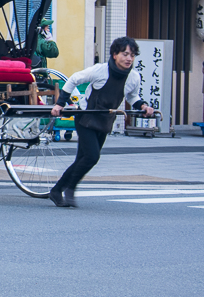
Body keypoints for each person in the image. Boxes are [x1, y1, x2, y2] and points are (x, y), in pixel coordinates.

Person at [47, 37, 154, 208]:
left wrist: (144, 106)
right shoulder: (101, 71)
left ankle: (57, 190)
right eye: (125, 54)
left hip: (105, 120)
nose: (129, 59)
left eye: (132, 55)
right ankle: (69, 188)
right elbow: (74, 79)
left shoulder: (133, 77)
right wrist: (60, 103)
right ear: (115, 54)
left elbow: (132, 96)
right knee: (92, 156)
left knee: (83, 158)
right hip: (86, 117)